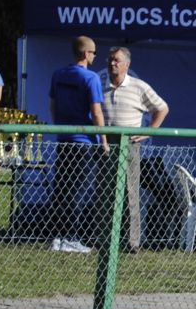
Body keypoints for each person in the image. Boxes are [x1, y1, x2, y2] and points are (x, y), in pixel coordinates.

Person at [100, 47, 169, 252]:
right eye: (110, 60)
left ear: (127, 65)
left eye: (117, 60)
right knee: (104, 191)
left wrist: (149, 131)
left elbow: (162, 108)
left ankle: (132, 241)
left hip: (129, 144)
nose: (112, 63)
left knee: (130, 192)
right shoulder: (99, 84)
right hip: (105, 143)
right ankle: (104, 238)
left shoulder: (139, 87)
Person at [47, 35, 106, 250]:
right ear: (85, 53)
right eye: (94, 52)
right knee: (78, 191)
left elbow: (52, 104)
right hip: (84, 142)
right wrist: (103, 140)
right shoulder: (91, 78)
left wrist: (60, 126)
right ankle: (71, 238)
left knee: (62, 189)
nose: (95, 57)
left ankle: (58, 236)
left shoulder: (58, 74)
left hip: (64, 138)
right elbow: (96, 112)